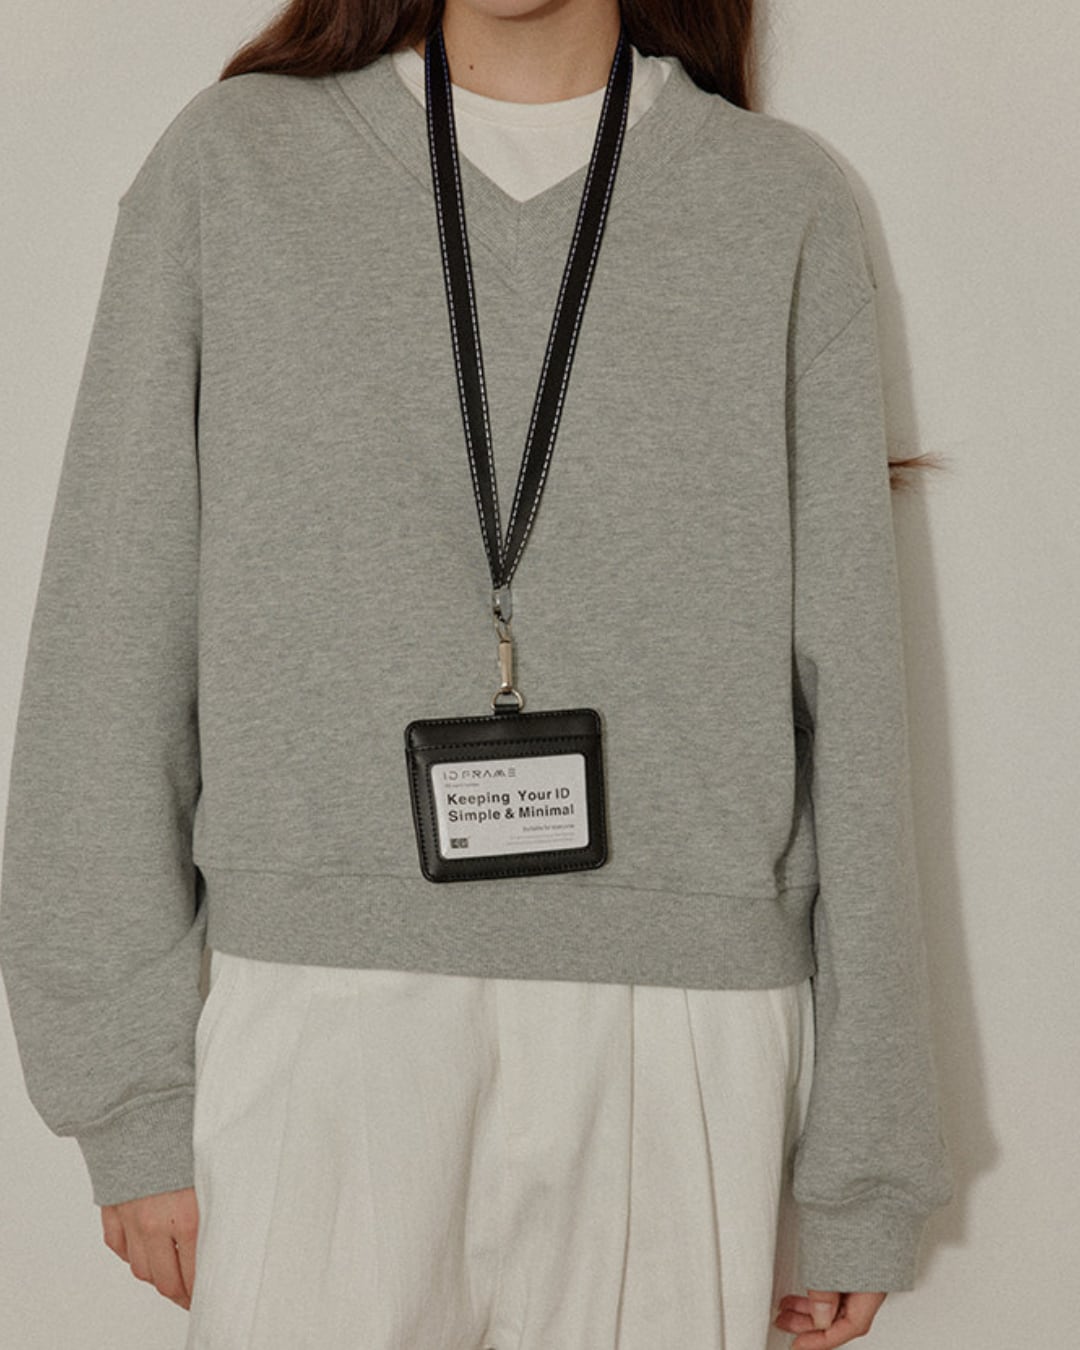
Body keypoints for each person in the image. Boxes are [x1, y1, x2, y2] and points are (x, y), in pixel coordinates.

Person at [0, 0, 955, 1346]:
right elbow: (111, 631)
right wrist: (128, 1091)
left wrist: (866, 1159)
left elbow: (856, 688)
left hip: (680, 1025)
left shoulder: (776, 203)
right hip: (321, 1008)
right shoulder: (234, 169)